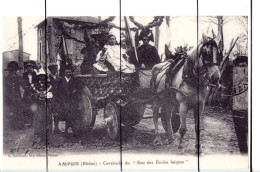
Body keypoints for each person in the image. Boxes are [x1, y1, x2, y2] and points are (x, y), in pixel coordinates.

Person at [31, 70, 53, 142]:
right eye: (40, 76)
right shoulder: (34, 85)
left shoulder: (49, 85)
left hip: (46, 105)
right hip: (38, 105)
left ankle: (47, 136)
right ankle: (38, 135)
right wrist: (37, 95)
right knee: (38, 119)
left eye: (43, 76)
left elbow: (52, 94)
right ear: (38, 77)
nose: (42, 78)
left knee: (47, 119)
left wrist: (47, 95)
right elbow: (31, 95)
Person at [57, 67, 78, 134]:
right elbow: (59, 91)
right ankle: (67, 129)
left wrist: (73, 94)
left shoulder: (74, 80)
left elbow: (76, 89)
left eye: (69, 72)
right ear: (64, 73)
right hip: (64, 100)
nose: (68, 73)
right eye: (66, 72)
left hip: (72, 100)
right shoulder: (61, 80)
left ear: (71, 73)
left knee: (72, 115)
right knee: (66, 115)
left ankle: (72, 129)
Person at [3, 61, 23, 128]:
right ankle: (11, 124)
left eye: (14, 70)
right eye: (11, 70)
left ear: (16, 70)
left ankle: (18, 124)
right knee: (10, 109)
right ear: (9, 71)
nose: (13, 72)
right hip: (9, 95)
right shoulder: (5, 79)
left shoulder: (19, 78)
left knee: (18, 108)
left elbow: (22, 86)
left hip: (17, 95)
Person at [47, 63, 62, 133]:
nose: (55, 70)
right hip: (50, 99)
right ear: (50, 70)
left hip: (57, 99)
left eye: (56, 68)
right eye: (54, 69)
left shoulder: (59, 78)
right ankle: (49, 129)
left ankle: (56, 128)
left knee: (57, 114)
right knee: (49, 114)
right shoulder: (47, 78)